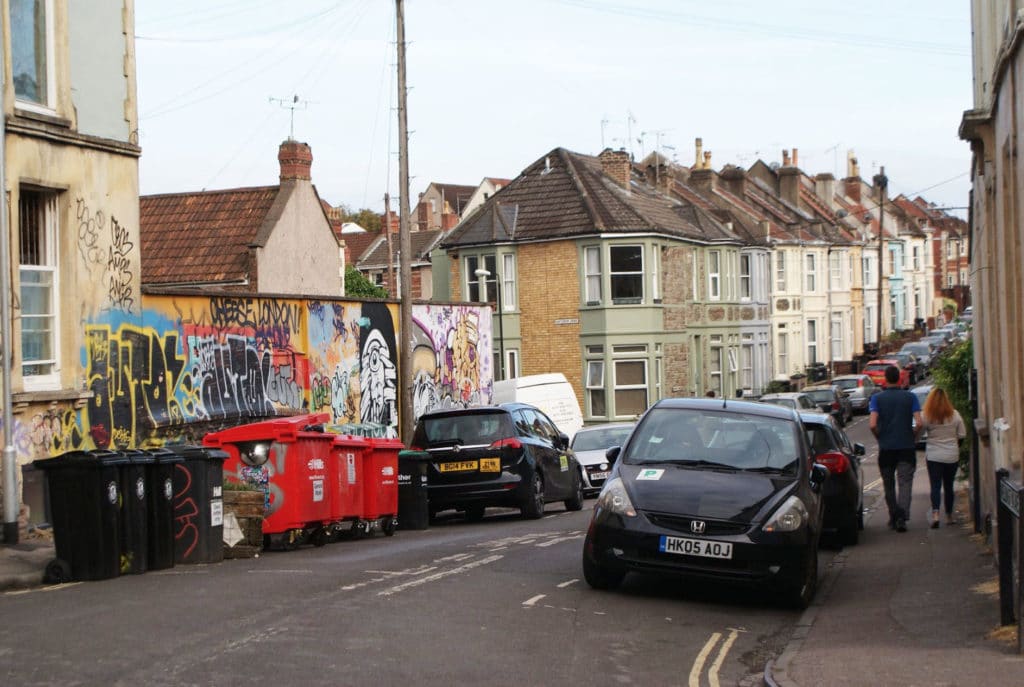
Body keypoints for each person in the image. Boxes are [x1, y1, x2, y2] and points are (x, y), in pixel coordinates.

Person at [869, 365, 923, 532]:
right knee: (905, 482)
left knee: (888, 484)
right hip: (906, 446)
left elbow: (872, 424)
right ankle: (902, 516)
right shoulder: (910, 397)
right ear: (899, 378)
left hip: (886, 448)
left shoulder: (877, 399)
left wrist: (880, 437)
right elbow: (919, 422)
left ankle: (894, 515)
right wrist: (913, 436)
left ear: (885, 379)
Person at [921, 387, 966, 528]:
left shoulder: (927, 415)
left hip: (934, 455)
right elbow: (962, 435)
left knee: (935, 485)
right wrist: (955, 445)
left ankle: (935, 514)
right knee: (948, 486)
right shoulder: (955, 415)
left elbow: (920, 431)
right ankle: (949, 515)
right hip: (951, 455)